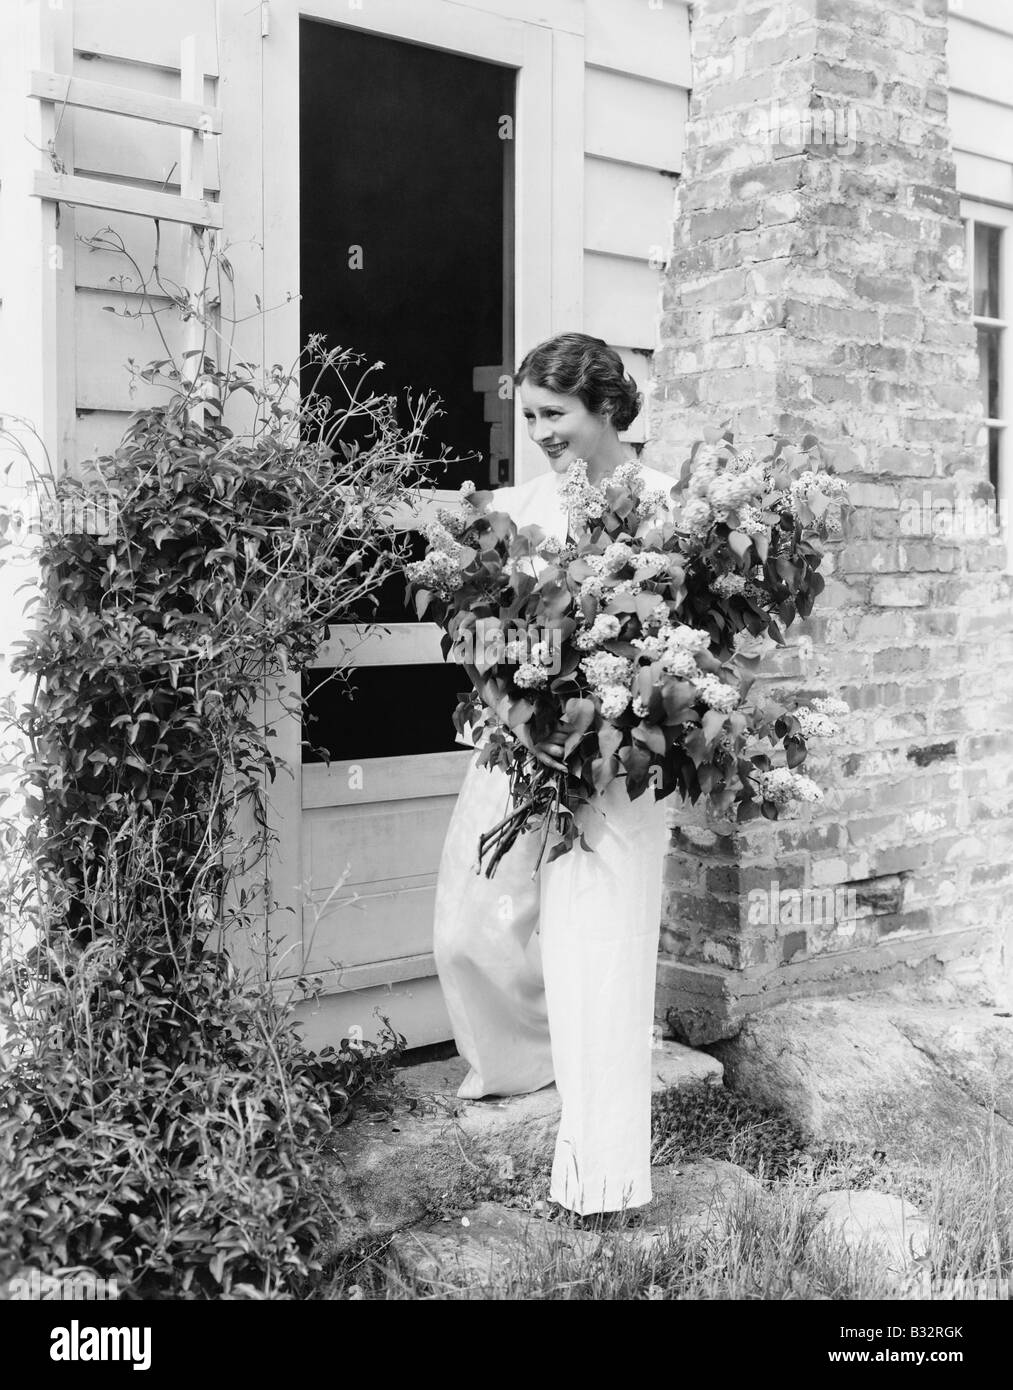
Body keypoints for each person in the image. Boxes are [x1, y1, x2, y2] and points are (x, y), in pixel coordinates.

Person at [432, 333, 677, 1219]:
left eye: (552, 414)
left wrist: (612, 694)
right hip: (521, 738)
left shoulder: (667, 505)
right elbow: (476, 635)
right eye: (526, 414)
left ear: (606, 407)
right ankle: (526, 1059)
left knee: (598, 952)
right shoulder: (518, 506)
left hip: (618, 764)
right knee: (468, 920)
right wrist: (531, 674)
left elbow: (692, 651)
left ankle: (602, 1176)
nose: (534, 431)